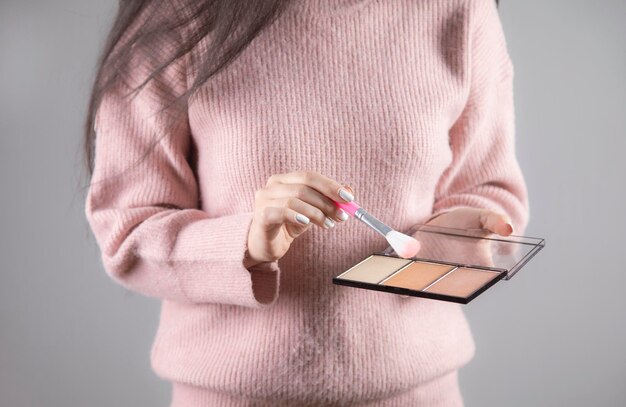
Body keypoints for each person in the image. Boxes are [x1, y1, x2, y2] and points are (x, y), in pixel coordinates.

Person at [83, 0, 528, 405]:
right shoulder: (176, 14)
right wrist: (247, 245)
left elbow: (490, 190)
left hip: (420, 393)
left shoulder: (461, 12)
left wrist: (460, 237)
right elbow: (127, 232)